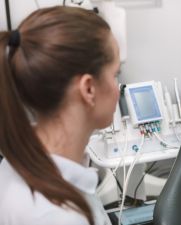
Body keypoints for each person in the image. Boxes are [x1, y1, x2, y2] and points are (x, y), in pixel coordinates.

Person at [0, 6, 120, 225]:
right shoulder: (59, 216)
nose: (118, 88)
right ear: (89, 89)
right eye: (115, 74)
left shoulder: (14, 163)